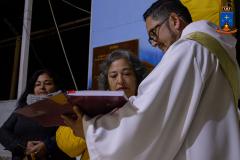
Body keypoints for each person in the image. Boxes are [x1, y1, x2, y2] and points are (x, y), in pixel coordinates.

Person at [63, 0, 240, 159]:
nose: (154, 43)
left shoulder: (189, 49)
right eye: (113, 75)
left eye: (154, 33)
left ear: (174, 21)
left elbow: (148, 113)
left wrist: (91, 131)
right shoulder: (217, 50)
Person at [57, 49, 148, 160]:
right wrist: (87, 129)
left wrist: (90, 131)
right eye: (113, 76)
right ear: (107, 81)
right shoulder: (94, 103)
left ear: (137, 77)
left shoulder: (146, 103)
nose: (120, 80)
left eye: (126, 74)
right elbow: (66, 146)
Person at [0, 69, 76, 160]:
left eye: (47, 83)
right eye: (37, 84)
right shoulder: (23, 108)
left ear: (57, 86)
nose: (42, 87)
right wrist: (24, 146)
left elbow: (73, 131)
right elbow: (3, 132)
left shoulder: (65, 106)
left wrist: (47, 144)